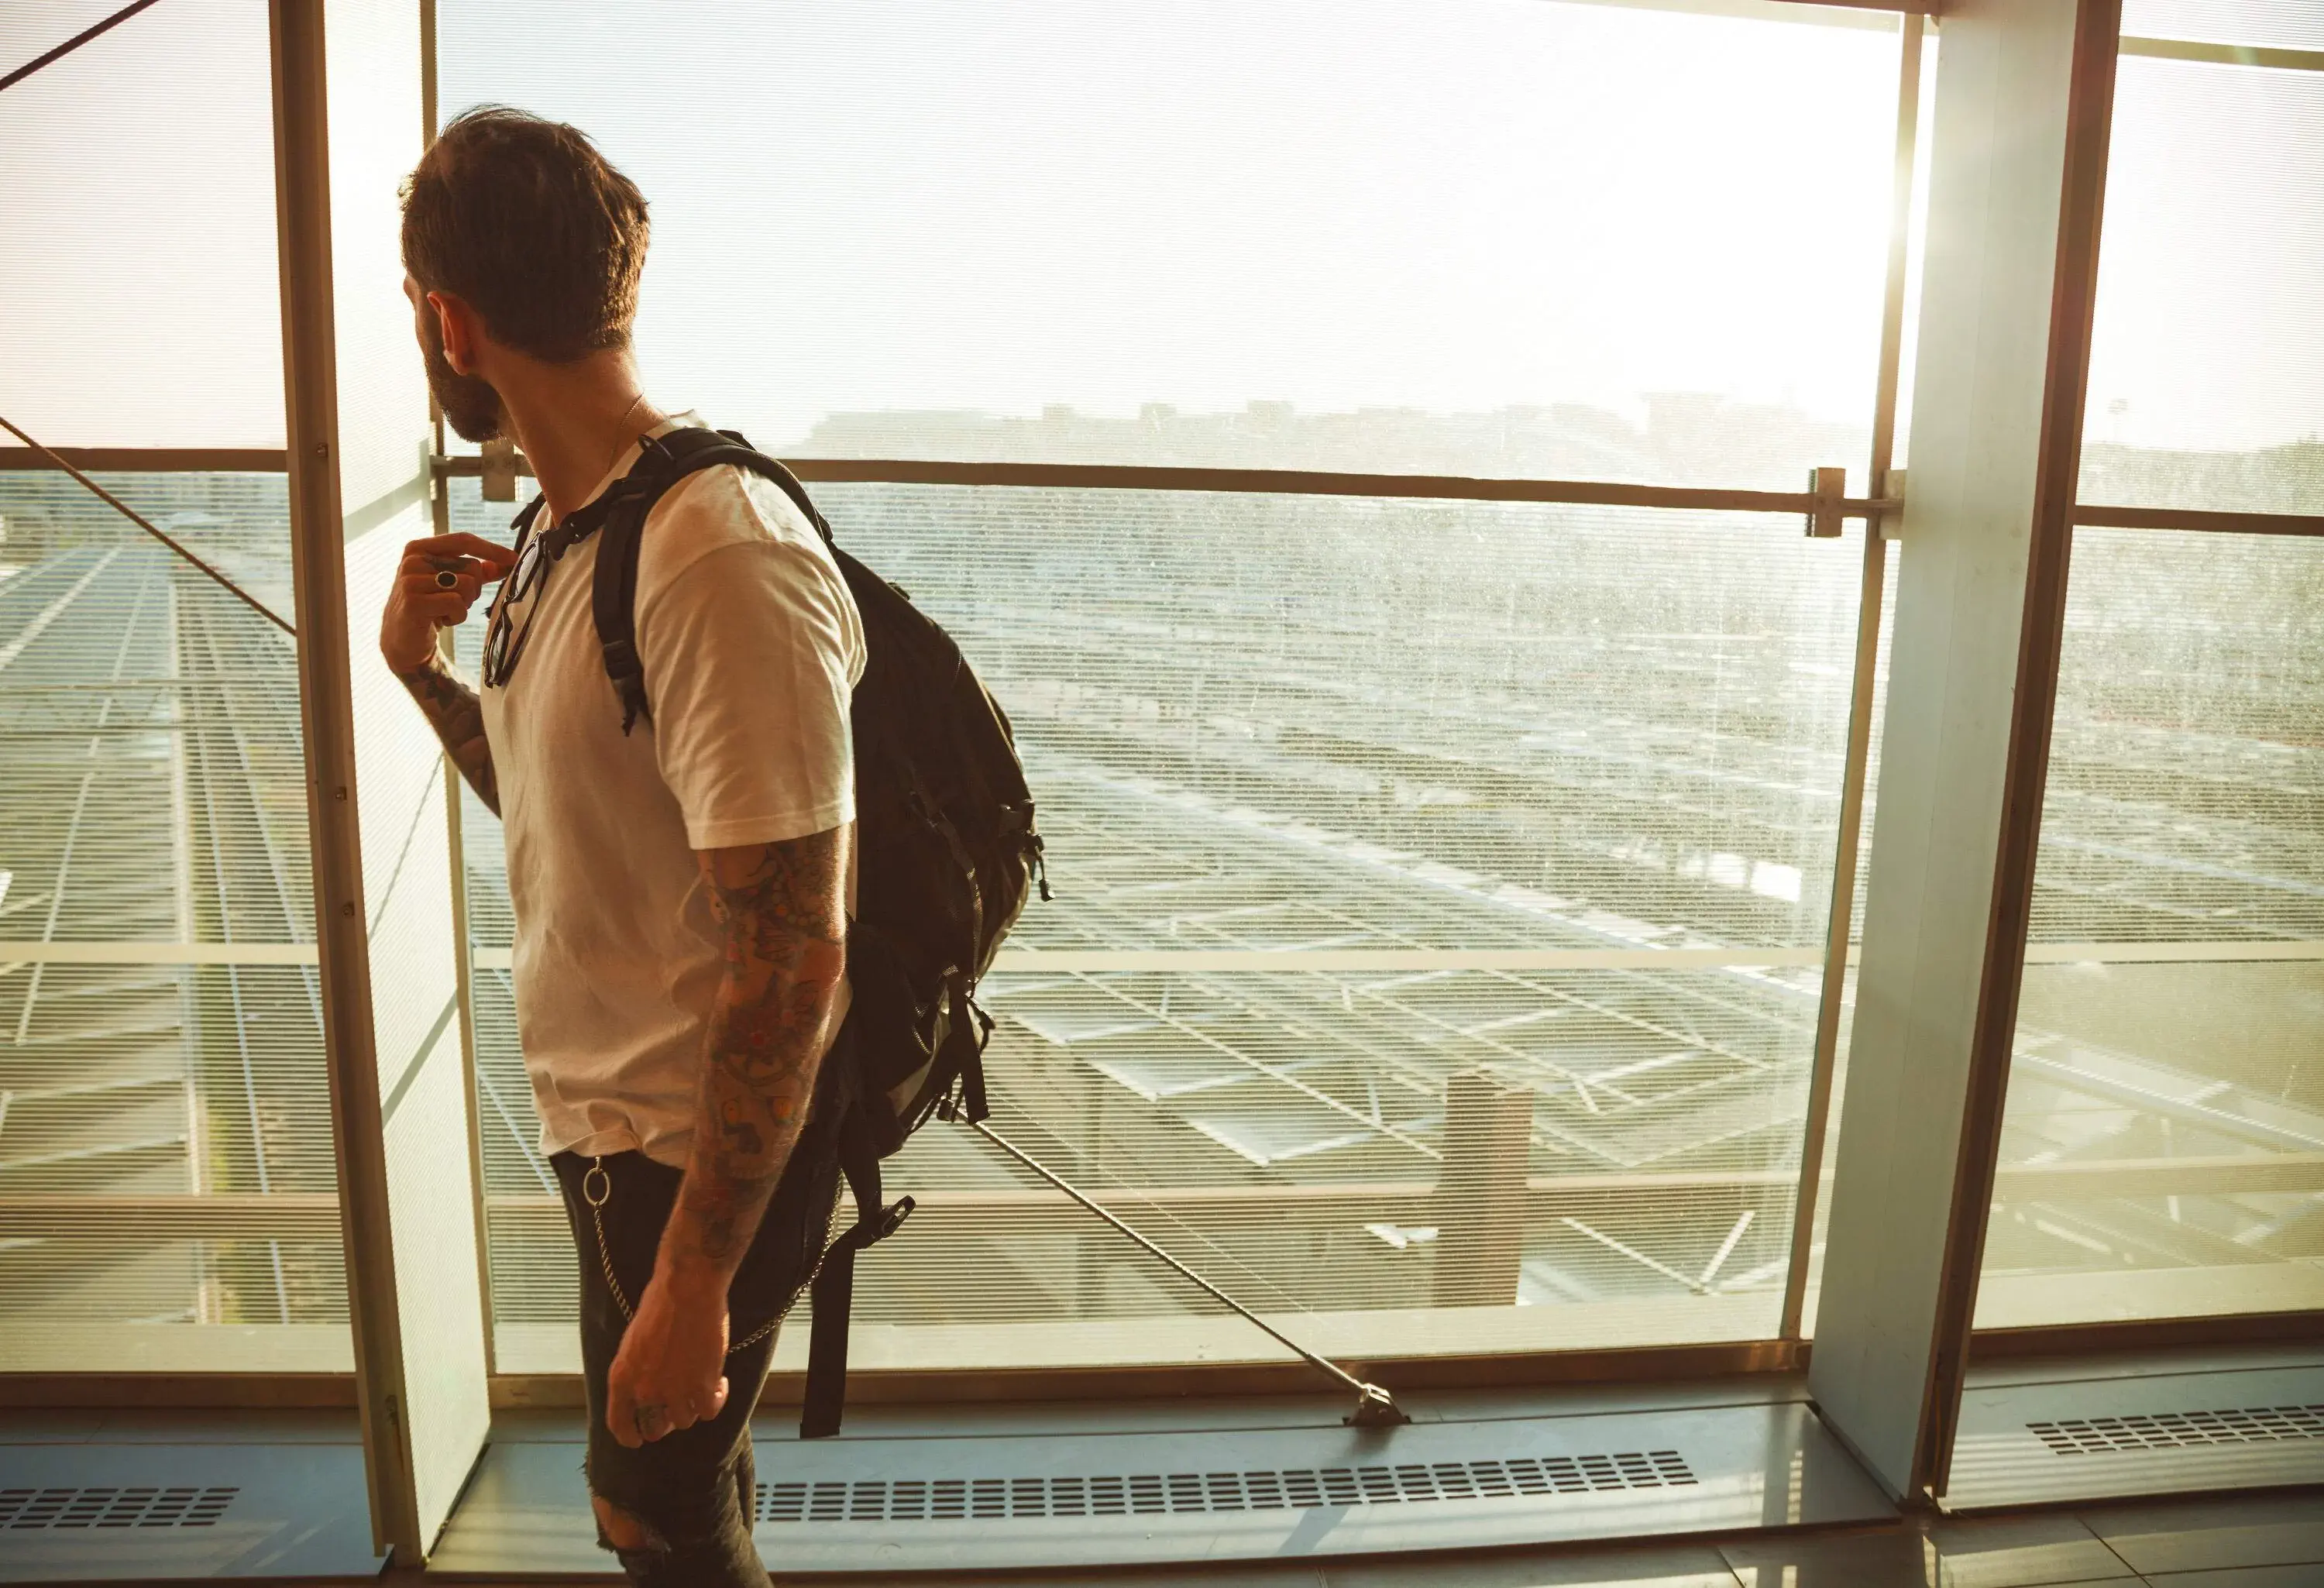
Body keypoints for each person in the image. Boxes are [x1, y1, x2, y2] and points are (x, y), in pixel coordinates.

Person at [377, 106, 866, 1588]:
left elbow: (797, 950)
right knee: (680, 1472)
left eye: (412, 310)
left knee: (648, 1512)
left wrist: (693, 1278)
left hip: (695, 1156)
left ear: (451, 322)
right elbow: (563, 817)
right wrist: (425, 675)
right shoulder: (564, 535)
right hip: (626, 1144)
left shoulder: (714, 548)